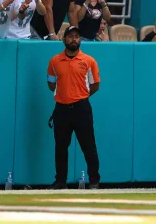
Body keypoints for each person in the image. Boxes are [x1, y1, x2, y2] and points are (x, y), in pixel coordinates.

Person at [47, 26, 101, 190]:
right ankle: (60, 181)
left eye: (76, 36)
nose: (73, 39)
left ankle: (94, 180)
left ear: (80, 39)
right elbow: (51, 83)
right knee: (61, 147)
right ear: (64, 39)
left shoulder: (89, 61)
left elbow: (95, 84)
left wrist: (80, 96)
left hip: (81, 108)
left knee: (88, 146)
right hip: (61, 109)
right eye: (70, 36)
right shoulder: (55, 61)